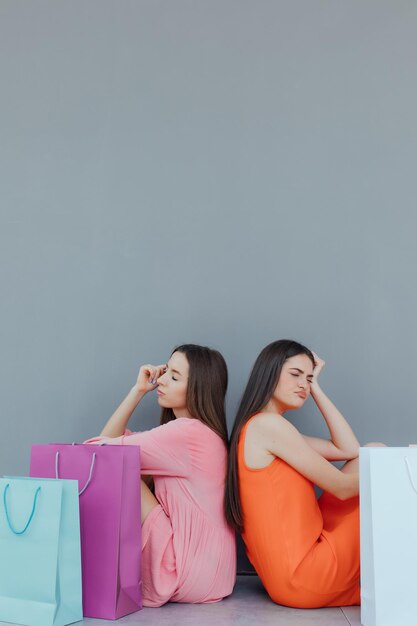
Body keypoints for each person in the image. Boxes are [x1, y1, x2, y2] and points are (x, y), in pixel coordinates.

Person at [225, 339, 383, 609]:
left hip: (290, 580)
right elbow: (342, 488)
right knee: (382, 463)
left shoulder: (265, 428)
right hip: (306, 576)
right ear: (269, 373)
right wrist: (393, 474)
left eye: (308, 378)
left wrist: (317, 388)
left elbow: (349, 449)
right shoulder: (269, 426)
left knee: (373, 452)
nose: (303, 385)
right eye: (295, 374)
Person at [85, 344, 236, 607]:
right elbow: (107, 446)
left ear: (198, 388)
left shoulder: (186, 433)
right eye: (166, 371)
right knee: (126, 465)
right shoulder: (207, 434)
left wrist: (136, 394)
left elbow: (95, 453)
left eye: (174, 377)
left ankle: (97, 564)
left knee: (120, 470)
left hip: (183, 575)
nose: (161, 380)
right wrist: (139, 390)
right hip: (216, 578)